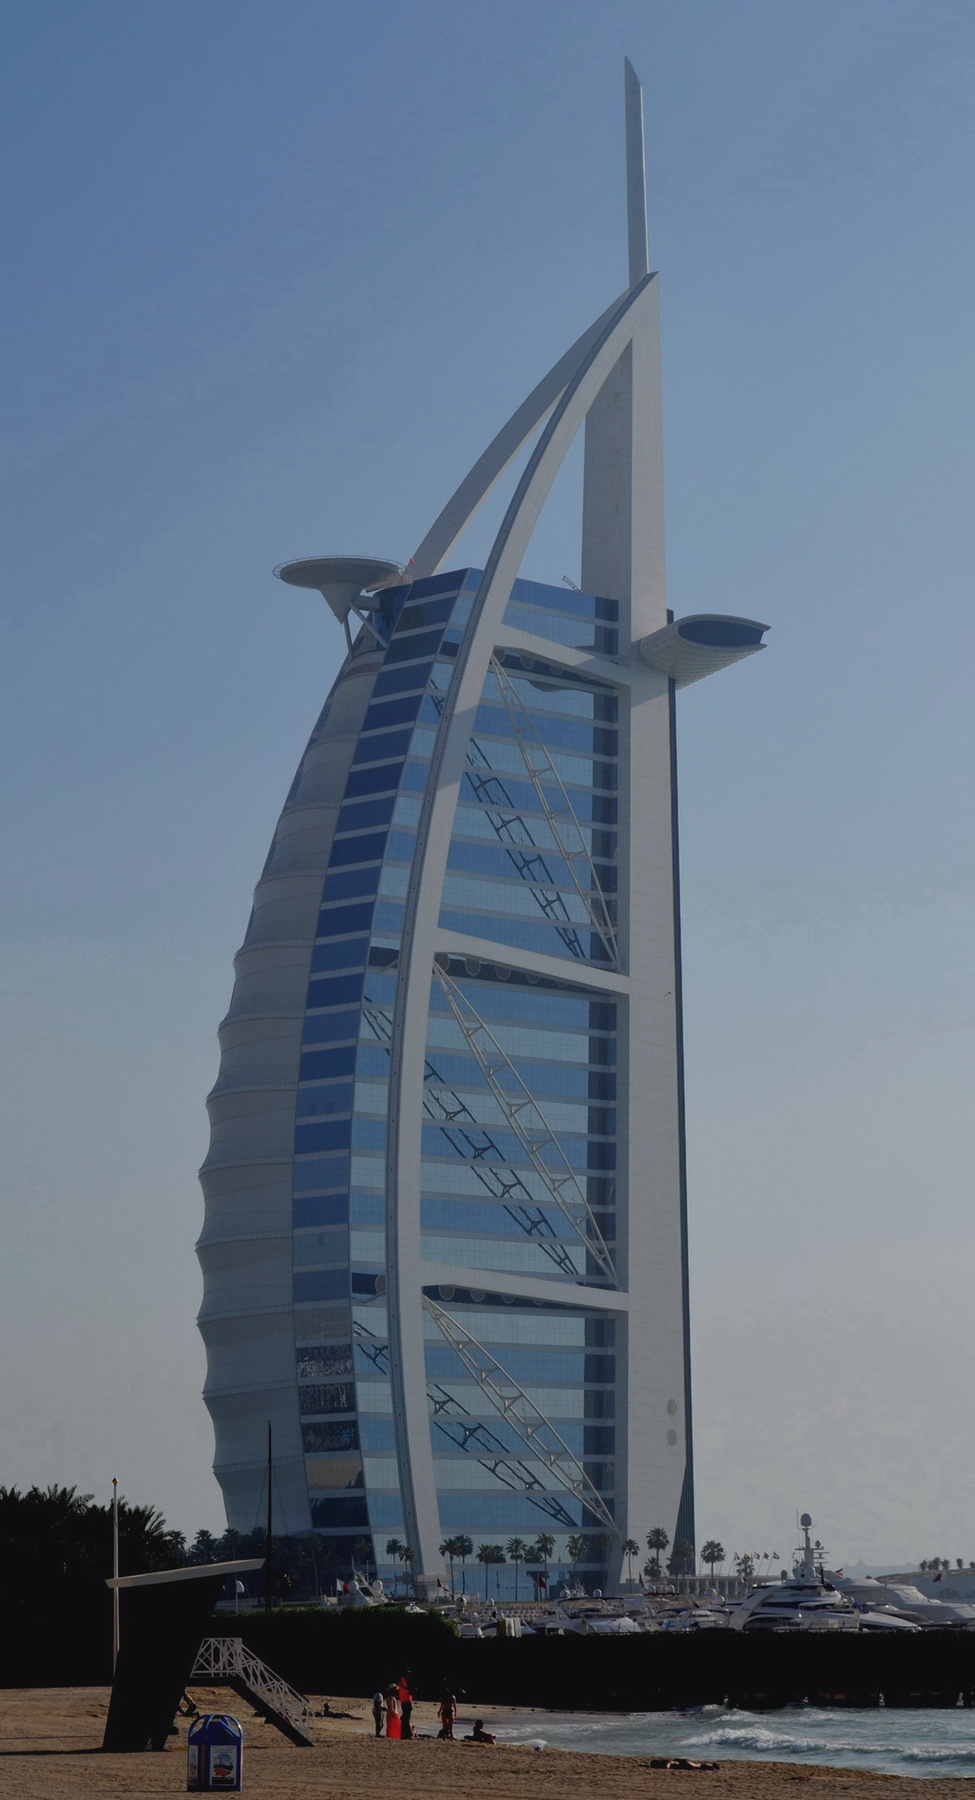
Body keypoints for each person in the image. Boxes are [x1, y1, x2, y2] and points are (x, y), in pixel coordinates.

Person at [398, 1672, 413, 1739]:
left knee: (405, 1718)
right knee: (406, 1718)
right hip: (407, 1700)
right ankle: (407, 1734)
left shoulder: (401, 1681)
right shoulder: (405, 1680)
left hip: (403, 1701)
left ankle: (403, 1734)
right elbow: (407, 1688)